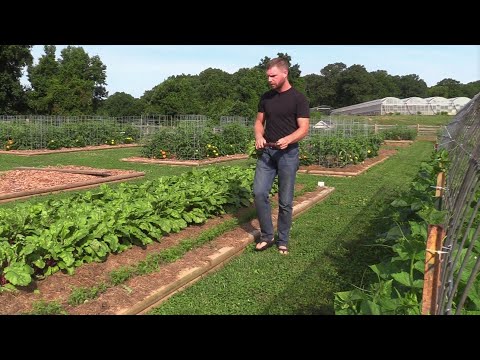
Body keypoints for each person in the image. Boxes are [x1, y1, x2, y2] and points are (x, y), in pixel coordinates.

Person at [253, 57, 310, 255]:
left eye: (273, 76)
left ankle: (283, 239)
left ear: (285, 73)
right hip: (267, 152)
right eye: (268, 76)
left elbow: (304, 128)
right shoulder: (266, 97)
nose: (269, 79)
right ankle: (267, 236)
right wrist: (259, 135)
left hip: (288, 154)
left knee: (285, 201)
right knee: (259, 193)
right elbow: (259, 122)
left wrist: (289, 139)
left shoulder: (298, 98)